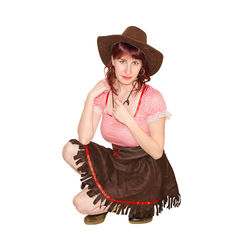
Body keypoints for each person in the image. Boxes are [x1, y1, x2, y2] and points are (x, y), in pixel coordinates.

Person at [62, 26, 181, 225]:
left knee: (81, 203)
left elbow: (157, 151)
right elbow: (84, 138)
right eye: (122, 61)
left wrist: (129, 120)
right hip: (118, 160)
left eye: (135, 62)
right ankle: (113, 197)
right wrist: (90, 97)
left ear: (142, 66)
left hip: (146, 168)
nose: (128, 70)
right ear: (113, 62)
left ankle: (135, 201)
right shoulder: (104, 92)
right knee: (70, 149)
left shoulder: (153, 97)